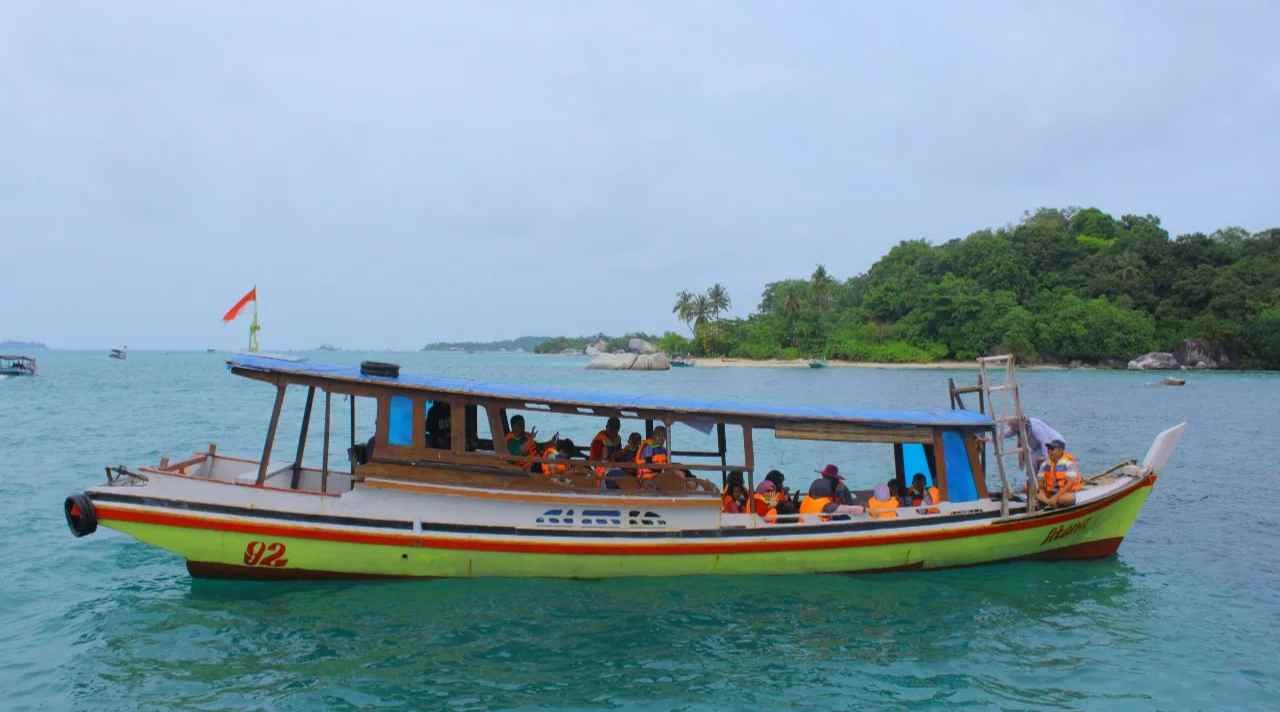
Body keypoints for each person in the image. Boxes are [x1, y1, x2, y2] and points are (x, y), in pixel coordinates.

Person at [1035, 439, 1081, 508]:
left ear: (1061, 451)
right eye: (1048, 448)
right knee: (1032, 493)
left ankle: (1051, 502)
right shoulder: (1044, 465)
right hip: (1050, 494)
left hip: (1066, 493)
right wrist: (1046, 498)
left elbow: (1069, 484)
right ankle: (1049, 503)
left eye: (1052, 449)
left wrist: (1055, 497)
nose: (1049, 451)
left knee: (1062, 499)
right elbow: (1041, 486)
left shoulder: (1069, 463)